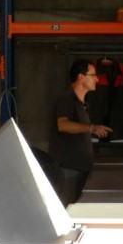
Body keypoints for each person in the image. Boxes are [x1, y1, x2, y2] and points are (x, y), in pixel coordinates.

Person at [49, 59, 113, 206]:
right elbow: (62, 125)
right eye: (93, 75)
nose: (97, 79)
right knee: (67, 210)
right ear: (81, 77)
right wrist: (91, 128)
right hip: (68, 169)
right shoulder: (66, 98)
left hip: (78, 168)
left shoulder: (82, 103)